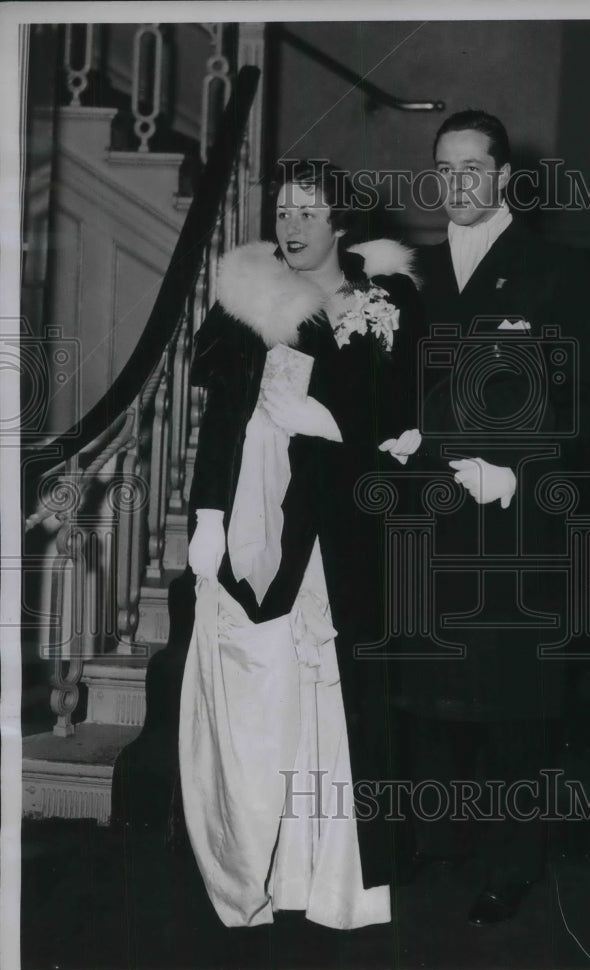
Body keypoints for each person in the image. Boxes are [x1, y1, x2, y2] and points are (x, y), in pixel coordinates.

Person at [181, 159, 424, 930]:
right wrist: (207, 516)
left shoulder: (386, 302)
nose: (290, 225)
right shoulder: (249, 294)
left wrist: (346, 433)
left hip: (344, 524)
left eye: (309, 211)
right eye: (283, 210)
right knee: (258, 691)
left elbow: (400, 417)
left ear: (341, 221)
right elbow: (219, 417)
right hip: (260, 516)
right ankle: (251, 871)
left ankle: (332, 884)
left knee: (337, 695)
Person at [397, 110, 590, 924]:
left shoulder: (555, 271)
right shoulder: (410, 274)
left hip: (514, 525)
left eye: (470, 169)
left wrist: (519, 471)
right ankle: (435, 842)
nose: (455, 185)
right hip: (425, 517)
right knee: (425, 696)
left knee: (513, 708)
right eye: (443, 169)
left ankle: (513, 863)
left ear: (503, 178)